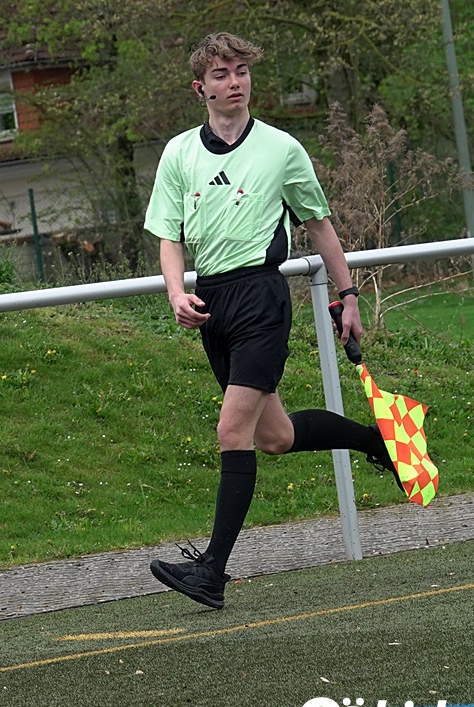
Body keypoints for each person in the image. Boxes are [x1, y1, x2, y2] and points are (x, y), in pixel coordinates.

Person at [143, 32, 400, 611]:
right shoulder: (178, 153)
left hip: (262, 299)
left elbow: (319, 225)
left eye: (241, 71)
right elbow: (168, 237)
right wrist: (177, 293)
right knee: (274, 438)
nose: (234, 81)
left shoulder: (282, 148)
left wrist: (348, 296)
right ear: (200, 88)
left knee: (231, 433)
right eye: (221, 74)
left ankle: (211, 572)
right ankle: (376, 441)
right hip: (211, 305)